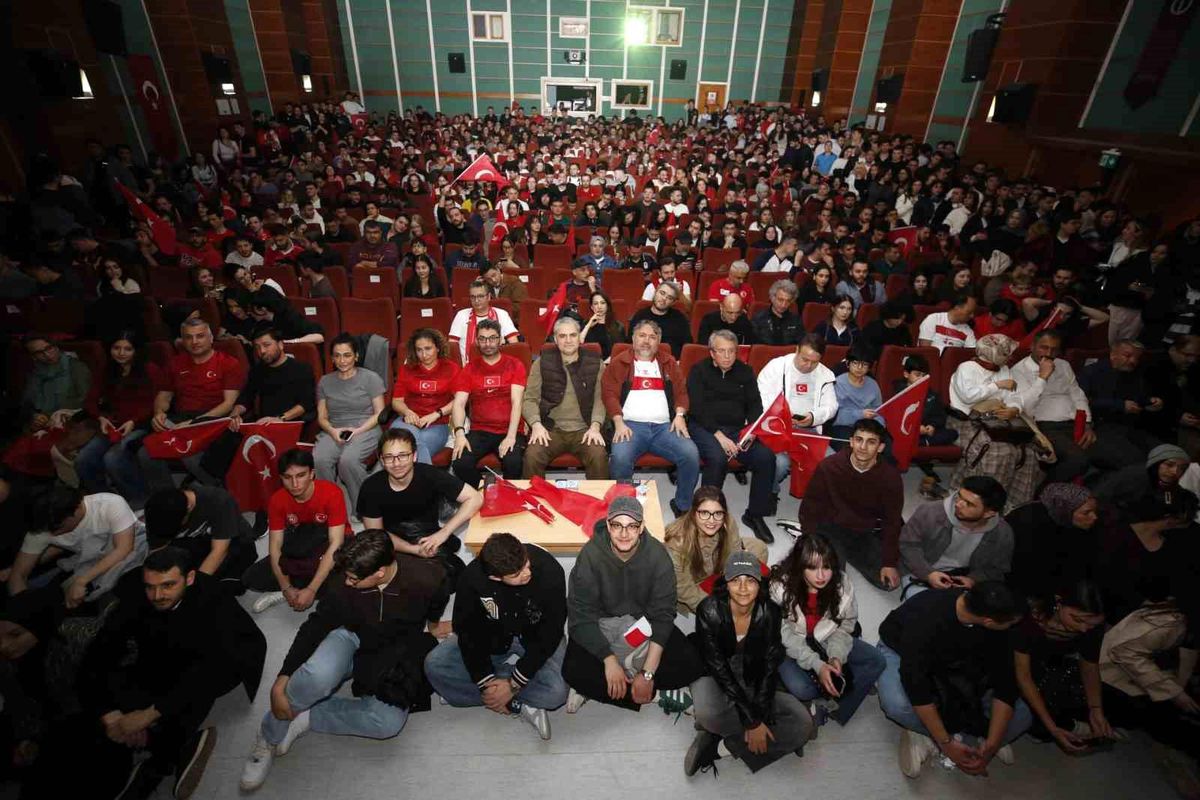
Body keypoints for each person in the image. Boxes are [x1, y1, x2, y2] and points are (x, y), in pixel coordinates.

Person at [29, 547, 266, 800]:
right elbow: (100, 653)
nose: (157, 595)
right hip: (157, 657)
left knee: (187, 700)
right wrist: (109, 714)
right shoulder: (136, 594)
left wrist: (150, 714)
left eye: (168, 585)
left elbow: (216, 667)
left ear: (189, 578)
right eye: (150, 587)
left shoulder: (213, 599)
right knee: (90, 716)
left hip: (214, 662)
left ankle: (161, 758)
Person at [239, 530, 446, 792]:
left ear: (380, 573)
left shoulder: (427, 577)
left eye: (354, 579)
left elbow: (438, 599)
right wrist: (282, 678)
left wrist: (433, 626)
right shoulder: (342, 580)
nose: (347, 582)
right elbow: (314, 627)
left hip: (392, 650)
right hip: (350, 635)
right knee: (317, 675)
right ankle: (269, 734)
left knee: (387, 723)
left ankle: (308, 716)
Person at [562, 496, 706, 713]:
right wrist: (609, 661)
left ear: (641, 528)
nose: (624, 533)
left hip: (643, 626)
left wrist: (647, 673)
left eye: (632, 526)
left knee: (691, 664)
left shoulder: (658, 556)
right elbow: (580, 615)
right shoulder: (590, 555)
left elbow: (663, 615)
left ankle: (615, 686)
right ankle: (654, 695)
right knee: (572, 671)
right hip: (602, 626)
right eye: (617, 525)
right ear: (608, 525)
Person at [876, 581, 1032, 779]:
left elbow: (1006, 682)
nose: (1013, 627)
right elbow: (916, 685)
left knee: (1023, 715)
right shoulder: (926, 617)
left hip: (956, 664)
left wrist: (993, 743)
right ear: (989, 622)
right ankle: (942, 738)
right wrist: (946, 743)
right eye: (1011, 623)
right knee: (897, 705)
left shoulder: (995, 625)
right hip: (899, 652)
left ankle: (952, 739)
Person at [423, 533, 568, 740]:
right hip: (492, 638)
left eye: (526, 564)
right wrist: (486, 680)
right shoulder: (472, 579)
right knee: (435, 664)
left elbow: (551, 632)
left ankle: (491, 692)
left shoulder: (549, 569)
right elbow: (468, 632)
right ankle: (515, 702)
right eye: (516, 574)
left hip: (537, 638)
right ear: (495, 577)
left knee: (558, 692)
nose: (527, 573)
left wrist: (514, 683)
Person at [685, 549, 815, 776]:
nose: (743, 588)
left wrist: (758, 716)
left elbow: (769, 666)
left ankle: (720, 747)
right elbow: (718, 668)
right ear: (726, 583)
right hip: (713, 673)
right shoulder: (708, 610)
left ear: (760, 584)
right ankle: (768, 734)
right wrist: (753, 722)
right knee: (708, 715)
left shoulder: (770, 611)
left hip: (752, 674)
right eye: (736, 580)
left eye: (751, 580)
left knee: (803, 725)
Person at [771, 532, 886, 727]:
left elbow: (845, 627)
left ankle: (834, 708)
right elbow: (783, 636)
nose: (821, 576)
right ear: (799, 566)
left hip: (826, 636)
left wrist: (836, 657)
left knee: (876, 661)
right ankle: (833, 691)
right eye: (812, 567)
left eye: (827, 567)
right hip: (791, 643)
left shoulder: (843, 585)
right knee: (802, 688)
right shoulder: (779, 588)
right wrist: (818, 665)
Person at [602, 319, 700, 515]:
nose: (646, 341)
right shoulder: (620, 362)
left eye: (652, 337)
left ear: (659, 341)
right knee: (620, 458)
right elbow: (609, 394)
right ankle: (624, 506)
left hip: (664, 428)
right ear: (633, 338)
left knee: (690, 454)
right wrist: (618, 422)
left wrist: (680, 415)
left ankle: (682, 505)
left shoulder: (668, 362)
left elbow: (681, 392)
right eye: (642, 336)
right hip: (630, 426)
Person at [686, 331, 776, 540]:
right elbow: (697, 408)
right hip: (704, 427)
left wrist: (751, 432)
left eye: (731, 351)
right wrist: (719, 436)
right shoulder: (699, 371)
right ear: (712, 353)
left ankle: (754, 515)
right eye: (721, 351)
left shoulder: (746, 371)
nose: (727, 356)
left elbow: (755, 406)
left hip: (737, 429)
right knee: (717, 458)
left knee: (765, 457)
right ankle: (704, 514)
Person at [139, 318, 244, 494]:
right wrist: (159, 413)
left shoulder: (228, 363)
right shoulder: (175, 363)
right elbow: (164, 395)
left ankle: (217, 492)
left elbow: (228, 404)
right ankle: (168, 498)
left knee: (189, 453)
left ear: (211, 338)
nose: (194, 342)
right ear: (182, 341)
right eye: (188, 337)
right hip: (181, 419)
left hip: (213, 421)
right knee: (146, 452)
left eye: (200, 336)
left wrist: (194, 423)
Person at [798, 418, 904, 591]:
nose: (863, 447)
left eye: (871, 442)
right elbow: (810, 508)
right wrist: (810, 540)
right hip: (830, 529)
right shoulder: (829, 466)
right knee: (827, 582)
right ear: (851, 441)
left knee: (889, 583)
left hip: (864, 532)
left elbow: (892, 521)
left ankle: (848, 556)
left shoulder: (891, 478)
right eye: (859, 440)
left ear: (880, 447)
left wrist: (889, 562)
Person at [947, 333, 1047, 511]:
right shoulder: (967, 368)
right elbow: (968, 396)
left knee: (1028, 452)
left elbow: (1013, 396)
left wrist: (1013, 408)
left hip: (997, 420)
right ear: (995, 354)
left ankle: (1013, 506)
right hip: (966, 421)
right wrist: (997, 386)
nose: (1010, 357)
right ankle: (985, 503)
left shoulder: (1004, 369)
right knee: (1000, 452)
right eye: (1006, 354)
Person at [242, 448, 347, 614]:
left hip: (330, 542)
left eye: (301, 475)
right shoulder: (277, 500)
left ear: (312, 474)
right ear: (281, 478)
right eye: (287, 477)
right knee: (251, 578)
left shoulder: (331, 493)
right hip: (300, 543)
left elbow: (336, 542)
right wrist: (286, 587)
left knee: (348, 581)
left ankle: (306, 587)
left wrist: (312, 589)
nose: (295, 484)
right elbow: (275, 547)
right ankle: (293, 590)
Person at [1013, 580, 1114, 752]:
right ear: (1059, 602)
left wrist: (1096, 709)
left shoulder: (1091, 627)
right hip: (1017, 663)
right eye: (1078, 619)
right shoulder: (1029, 617)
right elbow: (1023, 676)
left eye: (1092, 624)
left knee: (1102, 695)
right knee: (1028, 706)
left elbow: (1089, 665)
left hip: (1051, 662)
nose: (1084, 629)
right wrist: (1052, 728)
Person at [8, 486, 147, 608]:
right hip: (87, 558)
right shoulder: (43, 526)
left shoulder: (110, 504)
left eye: (60, 528)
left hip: (124, 549)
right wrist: (21, 609)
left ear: (77, 509)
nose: (54, 534)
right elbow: (18, 575)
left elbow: (123, 549)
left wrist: (81, 581)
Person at [74, 333, 166, 505]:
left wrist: (135, 421)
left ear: (136, 351)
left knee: (113, 458)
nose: (121, 353)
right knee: (83, 460)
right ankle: (107, 502)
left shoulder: (150, 369)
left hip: (143, 424)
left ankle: (140, 502)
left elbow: (159, 402)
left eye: (127, 349)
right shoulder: (106, 370)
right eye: (116, 348)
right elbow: (90, 400)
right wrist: (100, 417)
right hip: (114, 425)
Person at [1010, 330, 1112, 482]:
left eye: (1054, 349)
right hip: (1045, 427)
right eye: (1044, 347)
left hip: (1076, 422)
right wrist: (1042, 377)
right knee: (1078, 460)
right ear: (1032, 347)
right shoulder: (1018, 371)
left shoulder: (1063, 365)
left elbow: (1077, 395)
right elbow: (1025, 407)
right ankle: (1044, 489)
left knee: (1111, 454)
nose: (1049, 353)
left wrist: (1087, 424)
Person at [522, 316, 609, 479]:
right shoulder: (541, 363)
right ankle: (534, 496)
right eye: (562, 336)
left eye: (572, 335)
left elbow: (600, 399)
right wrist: (536, 425)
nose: (568, 340)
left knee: (598, 456)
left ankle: (598, 496)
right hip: (550, 428)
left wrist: (595, 426)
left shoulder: (596, 363)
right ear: (555, 339)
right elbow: (530, 399)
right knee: (532, 456)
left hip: (585, 428)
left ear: (580, 337)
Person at [899, 476, 1013, 599]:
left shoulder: (1003, 533)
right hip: (921, 570)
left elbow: (997, 569)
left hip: (963, 576)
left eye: (969, 504)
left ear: (989, 513)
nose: (958, 504)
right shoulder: (930, 512)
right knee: (922, 604)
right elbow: (907, 545)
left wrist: (973, 580)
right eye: (959, 496)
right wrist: (928, 574)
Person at [665, 486, 769, 614]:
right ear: (693, 513)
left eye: (718, 513)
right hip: (696, 580)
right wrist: (717, 611)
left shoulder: (727, 521)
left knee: (759, 547)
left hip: (718, 564)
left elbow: (735, 553)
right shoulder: (677, 543)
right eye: (704, 513)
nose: (712, 520)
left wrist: (738, 586)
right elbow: (685, 589)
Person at [757, 334, 838, 495]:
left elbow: (831, 406)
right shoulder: (776, 367)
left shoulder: (825, 374)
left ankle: (816, 498)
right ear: (796, 350)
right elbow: (762, 399)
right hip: (778, 429)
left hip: (808, 431)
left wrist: (813, 417)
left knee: (833, 462)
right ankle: (769, 493)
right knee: (779, 463)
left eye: (814, 362)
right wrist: (784, 416)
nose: (808, 366)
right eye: (804, 359)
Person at [313, 333, 386, 514]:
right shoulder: (325, 381)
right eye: (337, 356)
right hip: (334, 428)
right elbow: (322, 417)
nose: (342, 360)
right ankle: (331, 506)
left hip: (366, 427)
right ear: (332, 358)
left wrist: (357, 430)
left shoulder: (371, 378)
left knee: (348, 461)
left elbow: (379, 413)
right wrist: (332, 431)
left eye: (347, 355)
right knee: (320, 459)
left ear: (356, 356)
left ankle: (364, 507)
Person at [450, 318, 528, 486]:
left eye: (492, 338)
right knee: (460, 462)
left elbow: (517, 402)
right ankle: (484, 491)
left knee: (513, 462)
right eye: (483, 339)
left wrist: (511, 437)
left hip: (510, 429)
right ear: (477, 341)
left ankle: (507, 495)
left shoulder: (515, 365)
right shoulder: (469, 369)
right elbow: (459, 404)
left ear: (501, 339)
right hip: (480, 430)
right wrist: (460, 434)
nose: (488, 343)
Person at [143, 486, 257, 587]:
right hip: (197, 543)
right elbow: (157, 553)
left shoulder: (218, 500)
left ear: (188, 508)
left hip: (231, 541)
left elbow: (219, 551)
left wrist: (195, 587)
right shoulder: (157, 512)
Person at [1078, 339, 1163, 460]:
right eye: (1127, 356)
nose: (1133, 361)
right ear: (1113, 354)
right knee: (1134, 458)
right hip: (1100, 425)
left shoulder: (1135, 373)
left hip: (1129, 425)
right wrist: (1120, 405)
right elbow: (1083, 403)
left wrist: (1150, 402)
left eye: (1137, 358)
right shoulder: (1091, 372)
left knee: (1162, 452)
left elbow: (1137, 397)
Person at [390, 328, 460, 464]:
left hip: (437, 423)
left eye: (428, 349)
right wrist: (407, 412)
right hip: (408, 421)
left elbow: (460, 400)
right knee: (397, 446)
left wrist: (437, 414)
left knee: (417, 449)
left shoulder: (451, 368)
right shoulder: (407, 369)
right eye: (419, 350)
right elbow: (396, 401)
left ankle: (419, 477)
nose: (424, 354)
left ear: (437, 348)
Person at [19, 334, 91, 430]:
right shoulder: (33, 374)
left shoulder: (76, 367)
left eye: (49, 348)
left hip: (72, 421)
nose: (47, 355)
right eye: (39, 353)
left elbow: (86, 399)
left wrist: (48, 415)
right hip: (40, 425)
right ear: (33, 356)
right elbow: (27, 403)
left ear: (56, 347)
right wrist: (34, 416)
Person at [1093, 443, 1189, 514]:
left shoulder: (1171, 486)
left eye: (1181, 468)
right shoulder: (1133, 476)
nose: (1175, 472)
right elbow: (1099, 497)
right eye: (1169, 465)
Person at [448, 280, 520, 363]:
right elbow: (452, 346)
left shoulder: (501, 314)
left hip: (497, 365)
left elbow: (514, 344)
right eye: (473, 297)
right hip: (467, 365)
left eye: (480, 296)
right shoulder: (461, 315)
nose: (476, 300)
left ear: (488, 297)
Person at [828, 345, 881, 442]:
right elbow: (835, 416)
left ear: (869, 367)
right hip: (843, 426)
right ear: (847, 364)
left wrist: (880, 426)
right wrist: (860, 414)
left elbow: (879, 411)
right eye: (855, 363)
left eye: (864, 364)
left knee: (885, 442)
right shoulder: (837, 383)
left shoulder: (873, 384)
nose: (859, 368)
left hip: (868, 427)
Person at [629, 281, 692, 358]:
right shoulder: (640, 316)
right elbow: (629, 343)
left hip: (671, 362)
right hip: (642, 360)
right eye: (662, 293)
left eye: (669, 297)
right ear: (655, 292)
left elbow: (687, 347)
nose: (664, 298)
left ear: (673, 302)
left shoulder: (680, 319)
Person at [752, 279, 805, 346]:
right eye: (780, 300)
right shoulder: (759, 319)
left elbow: (802, 344)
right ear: (772, 298)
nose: (783, 305)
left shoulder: (796, 321)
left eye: (788, 301)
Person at [581, 289, 625, 358]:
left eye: (602, 303)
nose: (599, 306)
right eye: (596, 303)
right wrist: (588, 325)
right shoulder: (586, 324)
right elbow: (578, 344)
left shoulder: (618, 326)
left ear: (607, 305)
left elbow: (619, 351)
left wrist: (605, 362)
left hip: (611, 361)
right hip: (589, 361)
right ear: (592, 307)